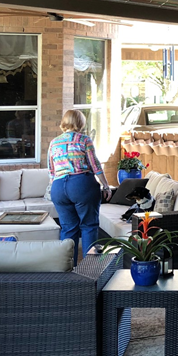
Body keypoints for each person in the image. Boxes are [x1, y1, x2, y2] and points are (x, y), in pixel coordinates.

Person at [48, 110, 111, 260]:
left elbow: (51, 171)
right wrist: (106, 186)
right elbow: (95, 165)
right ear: (81, 123)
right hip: (81, 184)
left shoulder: (54, 142)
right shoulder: (84, 140)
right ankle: (89, 270)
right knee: (89, 226)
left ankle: (67, 269)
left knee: (68, 228)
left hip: (58, 188)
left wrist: (56, 187)